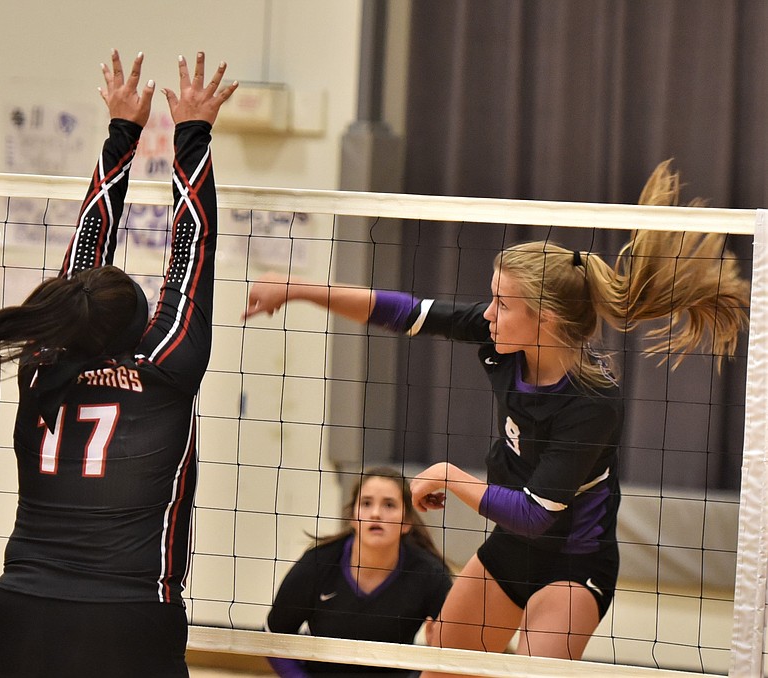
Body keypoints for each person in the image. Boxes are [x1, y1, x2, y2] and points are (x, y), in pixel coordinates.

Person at [243, 161, 749, 675]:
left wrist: (450, 477)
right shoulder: (502, 342)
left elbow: (535, 514)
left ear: (544, 319)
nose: (488, 313)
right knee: (442, 670)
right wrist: (298, 289)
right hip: (510, 551)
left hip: (573, 562)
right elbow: (404, 311)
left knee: (531, 671)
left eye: (503, 304)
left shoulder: (591, 403)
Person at [0, 50, 236, 677]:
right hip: (127, 614)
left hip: (23, 607)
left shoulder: (44, 357)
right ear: (141, 323)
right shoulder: (164, 366)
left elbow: (83, 265)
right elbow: (192, 247)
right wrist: (189, 133)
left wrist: (122, 135)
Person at [266, 467, 452, 677]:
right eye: (366, 503)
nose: (375, 513)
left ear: (407, 523)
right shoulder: (319, 562)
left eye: (389, 505)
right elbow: (274, 636)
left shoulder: (430, 574)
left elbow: (457, 647)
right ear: (353, 517)